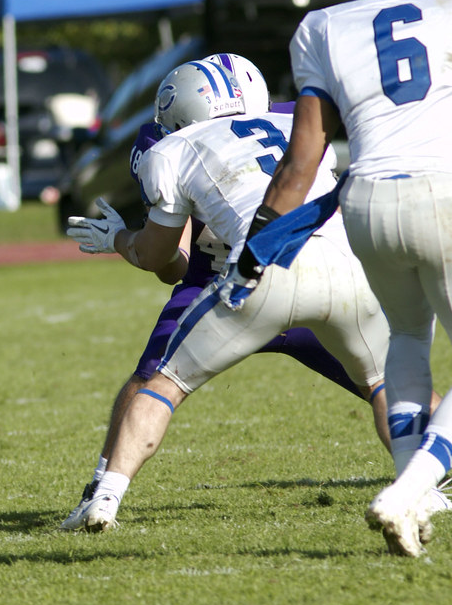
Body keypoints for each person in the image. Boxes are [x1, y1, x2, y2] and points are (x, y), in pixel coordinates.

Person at [58, 58, 446, 534]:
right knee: (391, 383)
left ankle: (103, 496)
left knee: (157, 383)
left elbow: (162, 259)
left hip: (245, 280)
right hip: (338, 268)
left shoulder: (170, 145)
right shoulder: (297, 118)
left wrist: (121, 240)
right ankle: (424, 483)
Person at [238, 0, 452, 557]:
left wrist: (256, 245)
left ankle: (413, 505)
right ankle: (413, 489)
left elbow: (303, 158)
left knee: (409, 341)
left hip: (366, 202)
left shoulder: (323, 25)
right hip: (445, 189)